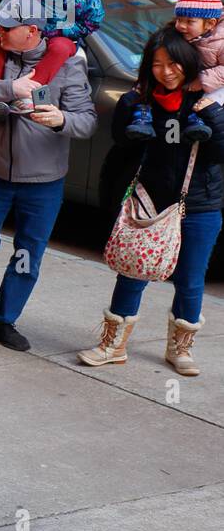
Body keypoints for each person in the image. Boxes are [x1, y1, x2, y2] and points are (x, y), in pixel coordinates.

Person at [78, 27, 224, 376]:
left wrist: (212, 114)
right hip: (150, 200)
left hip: (200, 204)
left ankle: (181, 349)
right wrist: (131, 105)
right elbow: (122, 143)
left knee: (190, 279)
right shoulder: (141, 101)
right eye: (157, 64)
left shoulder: (206, 101)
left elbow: (219, 152)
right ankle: (113, 345)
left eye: (173, 63)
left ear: (188, 64)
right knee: (132, 271)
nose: (166, 71)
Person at [0, 0, 97, 350]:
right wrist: (7, 88)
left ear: (32, 31)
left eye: (7, 26)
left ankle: (4, 320)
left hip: (42, 182)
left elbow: (87, 121)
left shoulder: (67, 66)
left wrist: (62, 120)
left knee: (27, 254)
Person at [127, 0, 222, 141]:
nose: (181, 26)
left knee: (207, 100)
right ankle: (142, 117)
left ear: (210, 24)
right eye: (179, 19)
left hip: (215, 86)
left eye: (189, 21)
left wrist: (202, 80)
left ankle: (198, 120)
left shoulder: (219, 41)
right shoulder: (185, 35)